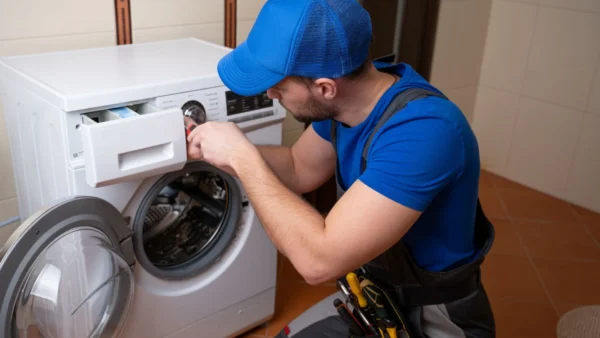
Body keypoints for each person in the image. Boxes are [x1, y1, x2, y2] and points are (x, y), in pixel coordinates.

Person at [186, 0, 496, 337]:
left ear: (324, 87)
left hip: (434, 316)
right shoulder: (348, 106)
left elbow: (317, 262)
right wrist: (216, 149)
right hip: (375, 296)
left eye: (279, 85)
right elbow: (298, 167)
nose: (271, 94)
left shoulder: (425, 131)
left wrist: (243, 158)